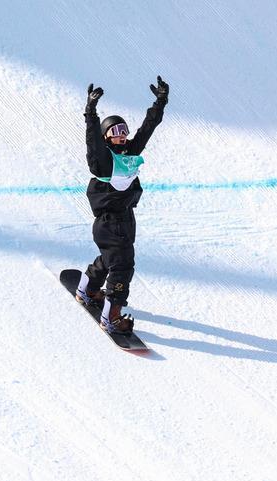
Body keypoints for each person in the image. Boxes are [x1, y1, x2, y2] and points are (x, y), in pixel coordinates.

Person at [75, 76, 169, 334]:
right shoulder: (103, 162)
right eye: (115, 132)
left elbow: (147, 129)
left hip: (125, 219)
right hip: (110, 223)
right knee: (122, 267)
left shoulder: (129, 153)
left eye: (124, 131)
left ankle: (87, 289)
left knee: (111, 260)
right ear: (106, 137)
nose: (122, 136)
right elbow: (93, 142)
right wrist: (91, 112)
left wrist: (160, 103)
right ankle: (111, 317)